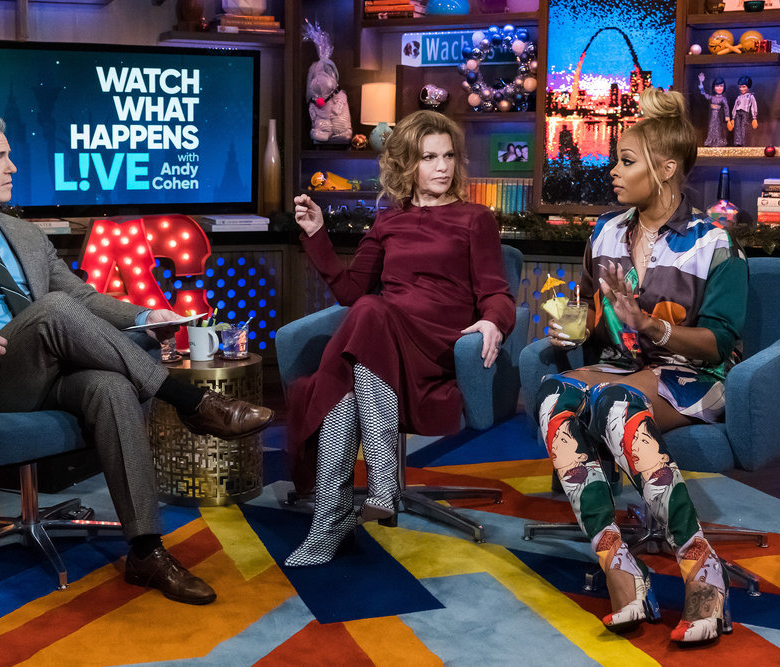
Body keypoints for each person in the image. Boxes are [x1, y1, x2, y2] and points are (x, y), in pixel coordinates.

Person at [0, 112, 274, 605]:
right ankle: (188, 399)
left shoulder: (23, 233)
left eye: (9, 156)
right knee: (51, 311)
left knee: (108, 386)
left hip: (52, 366)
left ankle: (146, 553)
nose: (13, 168)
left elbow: (82, 299)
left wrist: (147, 312)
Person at [536, 87, 747, 644]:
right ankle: (621, 571)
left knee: (615, 402)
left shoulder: (714, 243)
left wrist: (654, 325)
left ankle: (705, 577)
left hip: (696, 376)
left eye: (626, 161)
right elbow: (596, 316)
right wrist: (576, 328)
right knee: (554, 396)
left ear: (666, 168)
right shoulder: (605, 232)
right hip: (623, 367)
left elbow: (720, 343)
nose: (613, 170)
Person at [284, 109, 516, 567]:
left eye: (448, 156)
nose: (443, 167)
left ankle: (372, 489)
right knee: (361, 338)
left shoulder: (475, 219)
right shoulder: (389, 222)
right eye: (430, 157)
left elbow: (496, 292)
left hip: (437, 342)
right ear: (407, 165)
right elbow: (351, 291)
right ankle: (333, 522)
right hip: (384, 341)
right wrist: (316, 235)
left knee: (365, 327)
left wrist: (494, 321)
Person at [696, 72, 729, 147]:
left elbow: (726, 108)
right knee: (712, 128)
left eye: (721, 86)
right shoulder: (712, 97)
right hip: (712, 116)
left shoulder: (723, 99)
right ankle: (711, 141)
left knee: (719, 129)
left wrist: (727, 118)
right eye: (717, 86)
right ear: (714, 87)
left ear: (724, 87)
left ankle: (719, 141)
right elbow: (703, 94)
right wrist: (701, 82)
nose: (719, 88)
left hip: (719, 117)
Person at [727, 75, 757, 147]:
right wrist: (733, 118)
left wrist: (754, 117)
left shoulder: (750, 96)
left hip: (745, 113)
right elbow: (735, 107)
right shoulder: (739, 97)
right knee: (737, 127)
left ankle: (743, 142)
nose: (741, 89)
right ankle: (737, 142)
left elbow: (753, 106)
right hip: (738, 113)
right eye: (740, 87)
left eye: (744, 86)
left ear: (748, 87)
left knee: (744, 127)